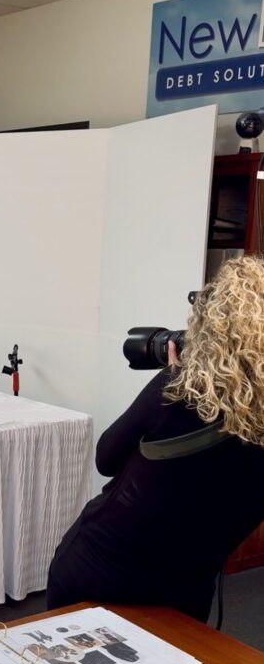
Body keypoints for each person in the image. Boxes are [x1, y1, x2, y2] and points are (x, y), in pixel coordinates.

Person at [47, 256, 264, 622]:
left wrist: (175, 376)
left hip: (100, 571)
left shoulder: (176, 389)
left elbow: (105, 458)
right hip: (184, 594)